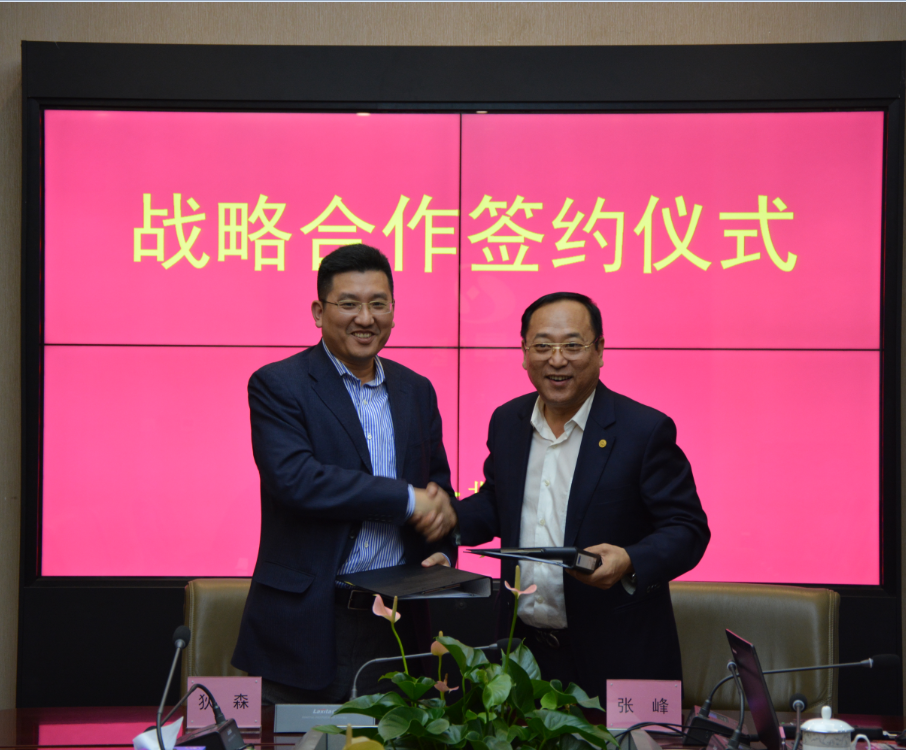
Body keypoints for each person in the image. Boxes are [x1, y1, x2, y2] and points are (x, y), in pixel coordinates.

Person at [451, 292, 710, 699]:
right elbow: (499, 503)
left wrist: (629, 560)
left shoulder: (643, 430)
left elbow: (688, 529)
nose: (557, 360)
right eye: (542, 346)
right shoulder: (508, 421)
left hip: (619, 656)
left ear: (599, 350)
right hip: (525, 654)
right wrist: (446, 520)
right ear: (524, 353)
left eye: (572, 345)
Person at [231, 244, 456, 705]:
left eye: (378, 304)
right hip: (310, 622)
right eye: (349, 303)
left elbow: (436, 487)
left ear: (393, 311)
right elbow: (297, 480)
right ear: (319, 312)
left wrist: (442, 549)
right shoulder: (279, 384)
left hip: (398, 624)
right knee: (301, 739)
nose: (365, 318)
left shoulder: (417, 390)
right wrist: (407, 499)